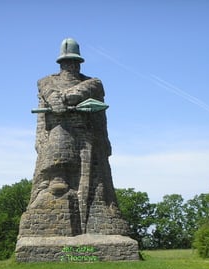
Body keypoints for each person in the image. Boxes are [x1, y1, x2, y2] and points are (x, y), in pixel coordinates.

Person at [19, 38, 128, 237]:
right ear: (60, 64)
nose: (71, 66)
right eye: (67, 62)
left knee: (96, 185)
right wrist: (54, 98)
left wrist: (70, 95)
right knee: (59, 134)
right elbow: (45, 104)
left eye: (74, 62)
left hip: (87, 136)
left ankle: (99, 213)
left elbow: (91, 93)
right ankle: (57, 175)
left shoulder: (93, 83)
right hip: (58, 134)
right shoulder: (46, 82)